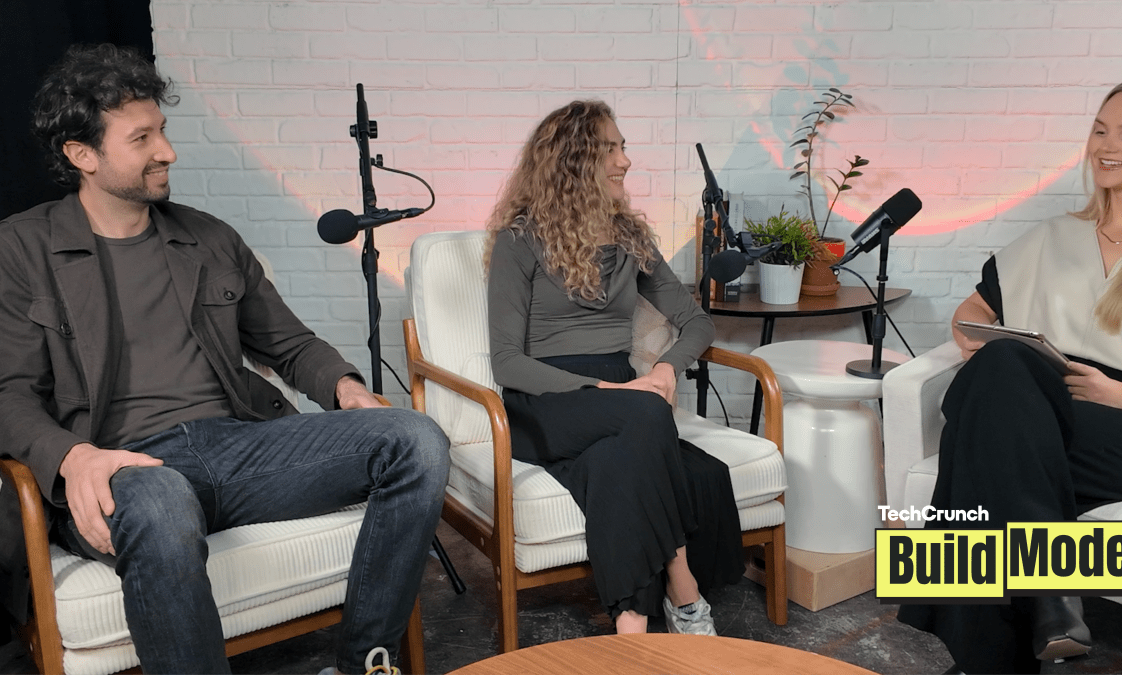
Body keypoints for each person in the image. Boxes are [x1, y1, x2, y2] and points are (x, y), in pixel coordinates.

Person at [0, 44, 450, 675]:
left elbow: (289, 343)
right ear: (83, 155)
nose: (167, 151)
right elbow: (9, 393)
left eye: (162, 130)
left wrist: (347, 389)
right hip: (126, 467)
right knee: (160, 500)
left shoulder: (208, 238)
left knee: (417, 440)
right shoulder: (23, 249)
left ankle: (365, 664)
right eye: (142, 138)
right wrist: (75, 459)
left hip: (239, 448)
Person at [898, 74, 1122, 673]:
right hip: (1042, 406)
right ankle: (1051, 603)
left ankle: (990, 655)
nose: (1106, 146)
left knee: (975, 438)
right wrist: (980, 347)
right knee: (1004, 367)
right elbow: (971, 315)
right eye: (1100, 130)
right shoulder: (1053, 235)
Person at [485, 100, 744, 635]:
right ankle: (684, 590)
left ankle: (631, 635)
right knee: (647, 415)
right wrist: (607, 388)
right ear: (574, 160)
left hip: (622, 403)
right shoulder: (519, 239)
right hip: (546, 397)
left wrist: (666, 369)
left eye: (622, 148)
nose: (625, 160)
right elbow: (507, 363)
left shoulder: (629, 239)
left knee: (625, 466)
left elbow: (696, 323)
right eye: (610, 149)